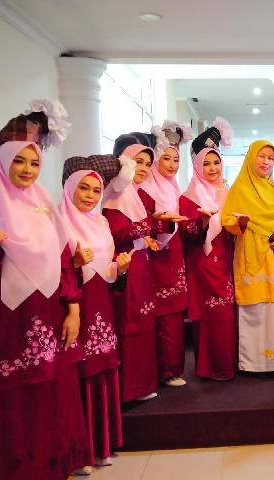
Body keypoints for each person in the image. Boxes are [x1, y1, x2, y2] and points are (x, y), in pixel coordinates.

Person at [0, 100, 89, 480]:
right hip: (12, 320)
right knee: (16, 395)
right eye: (19, 161)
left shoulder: (45, 204)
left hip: (53, 314)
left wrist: (73, 309)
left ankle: (54, 467)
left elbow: (64, 260)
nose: (27, 170)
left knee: (54, 393)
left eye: (34, 163)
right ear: (2, 161)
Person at [59, 156, 132, 472]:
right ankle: (81, 453)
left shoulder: (101, 223)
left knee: (103, 368)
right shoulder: (60, 223)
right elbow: (51, 272)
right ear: (69, 188)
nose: (90, 196)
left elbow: (106, 268)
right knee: (81, 373)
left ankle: (103, 446)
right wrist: (74, 264)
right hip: (76, 306)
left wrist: (120, 268)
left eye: (95, 190)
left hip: (102, 301)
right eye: (83, 188)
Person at [101, 133, 164, 402]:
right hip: (125, 266)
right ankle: (129, 389)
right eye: (138, 162)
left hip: (139, 264)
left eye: (148, 164)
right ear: (125, 162)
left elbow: (135, 230)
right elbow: (115, 233)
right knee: (129, 323)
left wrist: (146, 235)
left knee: (143, 321)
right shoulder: (115, 194)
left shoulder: (134, 195)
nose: (144, 168)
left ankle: (142, 385)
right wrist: (147, 226)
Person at [221, 139, 274, 373]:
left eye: (270, 158)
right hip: (250, 255)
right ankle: (252, 363)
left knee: (273, 309)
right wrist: (240, 223)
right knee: (253, 308)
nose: (265, 162)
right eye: (261, 156)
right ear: (251, 157)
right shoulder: (239, 189)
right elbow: (227, 221)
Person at [181, 119, 237, 380]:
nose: (212, 168)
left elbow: (233, 226)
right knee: (206, 315)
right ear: (197, 166)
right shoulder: (188, 196)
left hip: (225, 260)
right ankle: (206, 367)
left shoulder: (228, 193)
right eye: (206, 163)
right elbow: (187, 234)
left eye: (216, 162)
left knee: (225, 313)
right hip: (201, 262)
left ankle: (225, 366)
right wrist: (201, 222)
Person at [141, 121, 194, 387]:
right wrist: (160, 223)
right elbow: (142, 223)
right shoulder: (145, 188)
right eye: (166, 158)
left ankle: (172, 369)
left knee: (173, 314)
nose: (172, 165)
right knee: (156, 315)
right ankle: (157, 371)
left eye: (176, 159)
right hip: (153, 256)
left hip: (173, 254)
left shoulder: (172, 187)